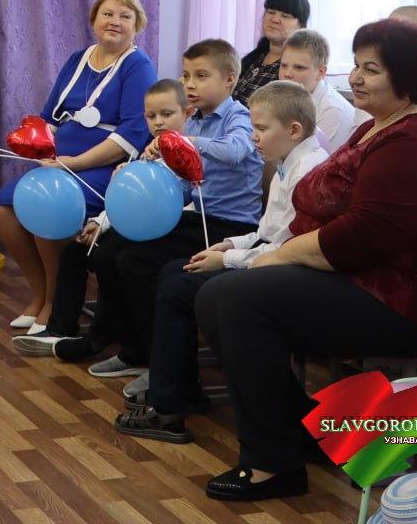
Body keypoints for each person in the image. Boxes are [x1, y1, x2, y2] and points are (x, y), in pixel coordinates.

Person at [195, 19, 417, 502]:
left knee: (239, 299)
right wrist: (266, 254)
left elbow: (360, 239)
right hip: (360, 279)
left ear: (408, 78)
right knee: (217, 295)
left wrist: (276, 257)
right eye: (358, 65)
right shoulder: (376, 127)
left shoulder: (414, 142)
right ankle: (310, 434)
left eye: (371, 69)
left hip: (403, 302)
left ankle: (273, 464)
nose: (356, 77)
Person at [114, 80, 328, 441]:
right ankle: (178, 391)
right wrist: (228, 244)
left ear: (293, 130)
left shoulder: (307, 171)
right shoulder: (286, 162)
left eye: (261, 128)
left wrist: (227, 259)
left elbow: (285, 248)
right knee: (173, 272)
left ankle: (168, 407)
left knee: (178, 286)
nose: (254, 136)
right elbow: (266, 231)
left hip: (286, 272)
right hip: (268, 257)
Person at [46, 39, 263, 378]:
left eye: (201, 76)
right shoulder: (195, 123)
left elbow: (235, 150)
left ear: (230, 79)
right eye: (186, 75)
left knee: (135, 261)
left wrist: (180, 142)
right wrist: (145, 172)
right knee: (106, 252)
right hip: (194, 217)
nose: (190, 84)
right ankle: (130, 347)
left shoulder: (239, 117)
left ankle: (156, 358)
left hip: (228, 227)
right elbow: (180, 187)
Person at [0, 0, 157, 333]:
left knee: (48, 205)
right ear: (94, 19)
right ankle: (40, 294)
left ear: (137, 25)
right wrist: (38, 145)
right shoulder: (77, 59)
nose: (115, 22)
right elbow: (49, 117)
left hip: (104, 169)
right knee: (4, 207)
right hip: (62, 163)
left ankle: (57, 303)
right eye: (108, 14)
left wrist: (74, 163)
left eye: (125, 16)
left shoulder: (138, 66)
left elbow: (132, 135)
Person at [12, 77, 187, 355]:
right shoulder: (147, 153)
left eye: (167, 114)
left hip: (167, 230)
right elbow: (124, 200)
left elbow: (171, 203)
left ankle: (102, 337)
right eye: (151, 116)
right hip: (135, 227)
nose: (159, 123)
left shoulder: (186, 155)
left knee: (110, 257)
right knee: (74, 252)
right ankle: (60, 330)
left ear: (187, 114)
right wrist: (99, 223)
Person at [279, 29, 355, 150]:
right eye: (283, 65)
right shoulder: (288, 99)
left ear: (321, 72)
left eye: (299, 67)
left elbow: (321, 161)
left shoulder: (332, 113)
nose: (287, 74)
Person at [233, 0, 310, 106]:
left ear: (301, 26)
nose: (274, 20)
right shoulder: (255, 57)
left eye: (285, 16)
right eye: (270, 12)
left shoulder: (293, 69)